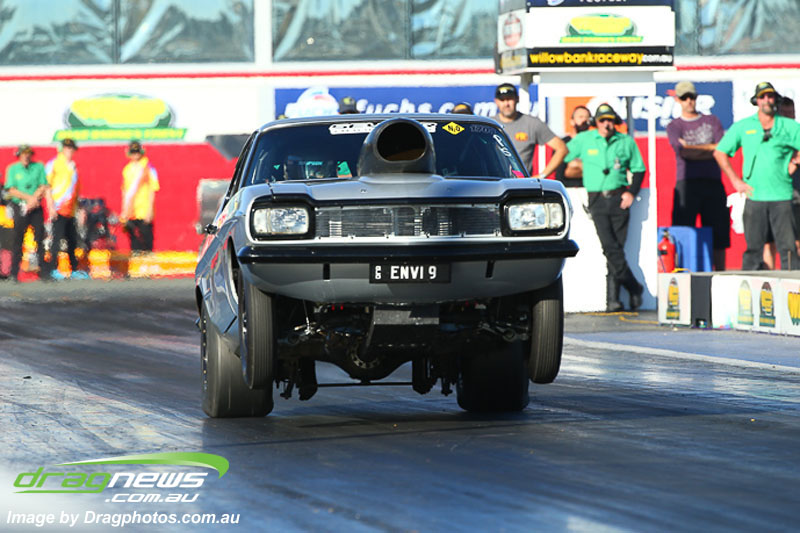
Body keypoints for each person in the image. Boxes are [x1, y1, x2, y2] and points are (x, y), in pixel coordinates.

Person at [565, 103, 646, 311]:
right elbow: (562, 156)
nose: (606, 124)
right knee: (609, 247)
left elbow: (639, 169)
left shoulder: (625, 141)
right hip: (596, 199)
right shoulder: (585, 139)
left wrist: (631, 192)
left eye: (610, 120)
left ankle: (613, 300)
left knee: (616, 248)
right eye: (602, 120)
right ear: (596, 122)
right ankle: (633, 287)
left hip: (619, 197)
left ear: (615, 122)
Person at [714, 82, 800, 270]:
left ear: (775, 100)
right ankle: (750, 288)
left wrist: (794, 162)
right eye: (762, 97)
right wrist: (736, 181)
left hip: (782, 195)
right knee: (753, 250)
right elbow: (720, 152)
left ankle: (793, 287)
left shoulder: (788, 126)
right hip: (754, 196)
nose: (767, 100)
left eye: (770, 96)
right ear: (756, 101)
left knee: (788, 249)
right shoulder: (744, 126)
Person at [666, 81, 729, 271]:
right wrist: (709, 149)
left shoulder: (712, 121)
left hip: (713, 182)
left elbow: (721, 149)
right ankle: (683, 272)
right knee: (683, 231)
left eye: (691, 97)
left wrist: (694, 149)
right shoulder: (674, 125)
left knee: (719, 232)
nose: (689, 101)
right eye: (684, 98)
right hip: (687, 184)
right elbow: (682, 152)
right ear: (678, 100)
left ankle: (720, 273)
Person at [492, 83, 567, 178]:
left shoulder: (532, 123)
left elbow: (562, 148)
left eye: (510, 99)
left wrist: (542, 175)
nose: (506, 104)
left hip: (521, 183)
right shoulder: (489, 125)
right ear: (496, 101)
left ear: (517, 99)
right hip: (492, 181)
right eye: (502, 100)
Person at [3, 145, 52, 281]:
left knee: (39, 238)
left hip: (35, 206)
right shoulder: (13, 169)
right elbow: (11, 189)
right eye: (23, 154)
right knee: (18, 239)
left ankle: (44, 272)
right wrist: (28, 199)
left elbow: (43, 185)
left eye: (28, 154)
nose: (26, 156)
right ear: (19, 155)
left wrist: (34, 199)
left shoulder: (38, 167)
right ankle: (14, 272)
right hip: (20, 206)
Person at [44, 138, 89, 280]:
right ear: (62, 149)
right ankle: (52, 270)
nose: (70, 151)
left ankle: (74, 269)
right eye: (67, 148)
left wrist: (79, 208)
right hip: (58, 208)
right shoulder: (54, 164)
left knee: (72, 240)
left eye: (72, 148)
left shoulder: (73, 166)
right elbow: (47, 187)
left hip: (71, 209)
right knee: (57, 240)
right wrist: (51, 207)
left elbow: (75, 189)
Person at [121, 141, 159, 252]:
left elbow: (153, 189)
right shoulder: (127, 169)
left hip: (143, 209)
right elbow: (125, 191)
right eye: (133, 152)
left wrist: (150, 210)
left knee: (146, 240)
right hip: (131, 211)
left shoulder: (148, 167)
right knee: (134, 243)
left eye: (137, 152)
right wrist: (124, 210)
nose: (135, 154)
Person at [555, 105, 591, 187]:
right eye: (580, 117)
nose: (584, 120)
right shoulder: (563, 144)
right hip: (569, 190)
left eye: (587, 118)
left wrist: (576, 165)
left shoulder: (595, 143)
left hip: (591, 189)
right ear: (572, 121)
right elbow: (560, 175)